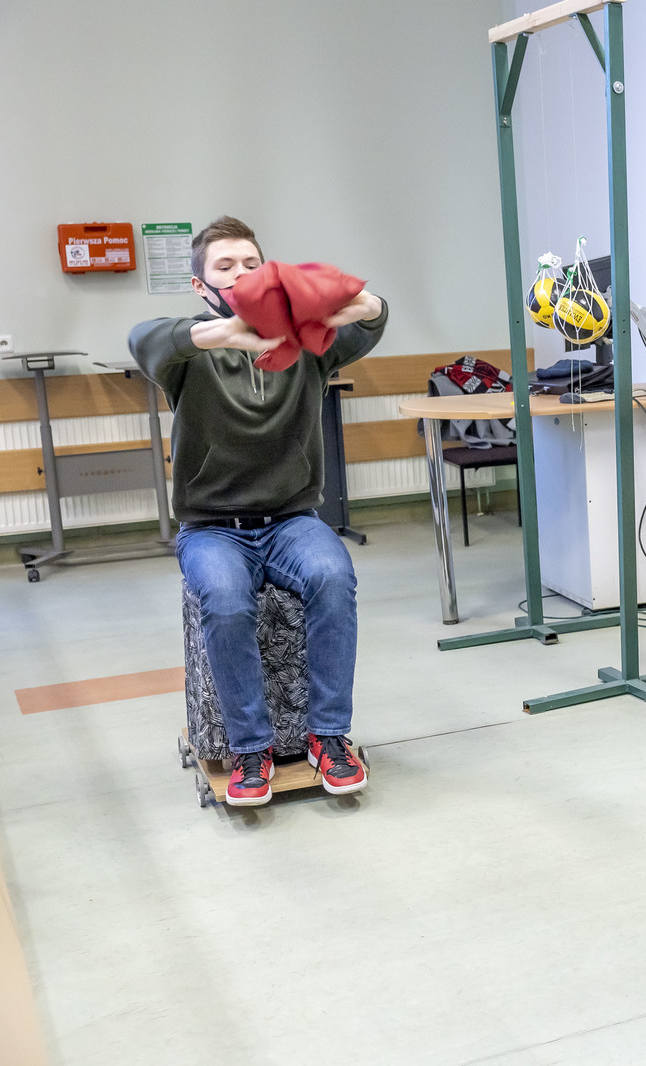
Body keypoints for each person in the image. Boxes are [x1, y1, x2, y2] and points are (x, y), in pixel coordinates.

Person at [130, 216, 387, 806]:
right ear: (201, 286)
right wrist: (227, 333)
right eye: (224, 267)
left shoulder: (306, 344)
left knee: (333, 577)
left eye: (251, 264)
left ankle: (328, 737)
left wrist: (357, 302)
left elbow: (371, 320)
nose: (241, 274)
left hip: (292, 520)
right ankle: (251, 749)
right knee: (224, 601)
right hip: (211, 528)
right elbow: (144, 339)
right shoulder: (187, 354)